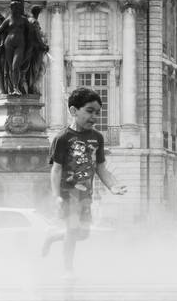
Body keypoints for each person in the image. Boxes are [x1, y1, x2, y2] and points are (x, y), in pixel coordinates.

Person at [42, 86, 127, 275]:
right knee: (73, 231)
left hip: (85, 194)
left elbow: (100, 167)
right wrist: (56, 196)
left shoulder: (97, 138)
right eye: (89, 111)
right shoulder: (63, 138)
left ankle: (52, 236)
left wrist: (113, 186)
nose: (94, 117)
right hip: (68, 193)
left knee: (83, 233)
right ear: (73, 111)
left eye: (97, 112)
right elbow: (56, 169)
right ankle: (68, 269)